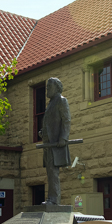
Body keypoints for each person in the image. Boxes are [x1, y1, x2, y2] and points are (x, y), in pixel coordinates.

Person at [41, 77, 71, 205]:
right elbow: (50, 123)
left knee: (53, 172)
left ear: (57, 88)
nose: (47, 90)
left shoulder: (61, 101)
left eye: (49, 87)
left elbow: (66, 120)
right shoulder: (51, 103)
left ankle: (54, 200)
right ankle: (50, 198)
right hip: (48, 144)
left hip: (55, 144)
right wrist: (43, 133)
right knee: (50, 172)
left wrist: (63, 138)